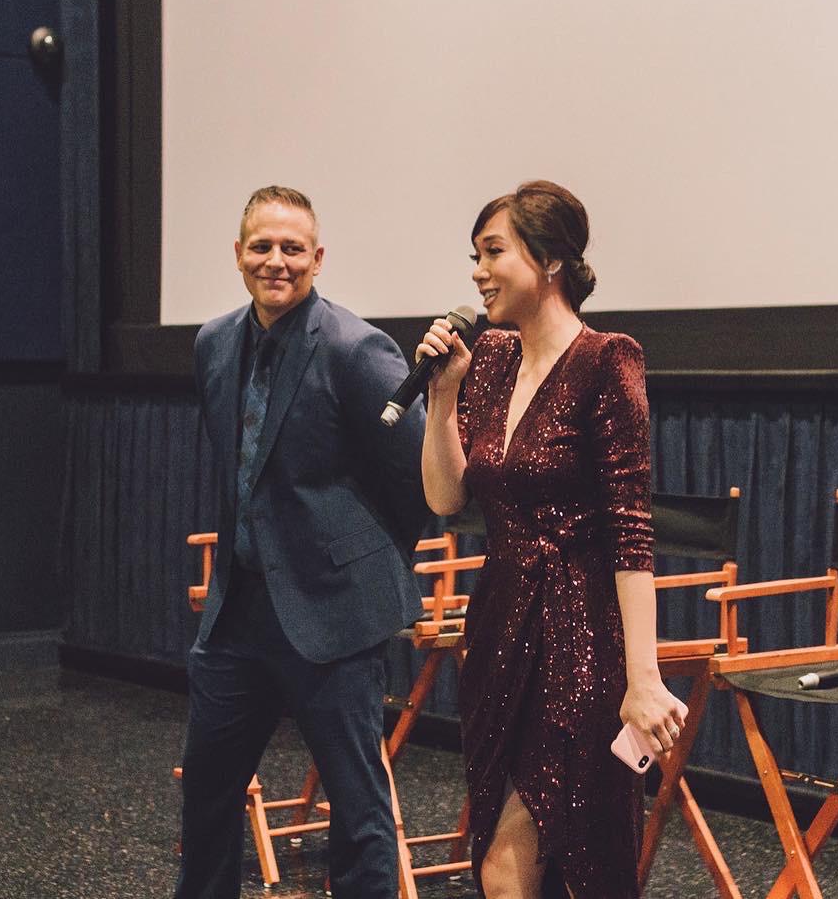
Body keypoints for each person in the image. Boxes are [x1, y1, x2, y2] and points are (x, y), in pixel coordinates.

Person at [415, 179, 686, 899]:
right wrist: (443, 397)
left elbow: (631, 531)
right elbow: (445, 497)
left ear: (551, 260)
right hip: (499, 628)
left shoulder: (607, 360)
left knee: (527, 864)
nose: (478, 271)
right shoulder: (490, 360)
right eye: (474, 255)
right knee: (505, 860)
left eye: (493, 252)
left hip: (580, 638)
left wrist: (644, 677)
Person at [176, 186, 429, 899]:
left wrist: (361, 562)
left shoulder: (355, 348)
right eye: (262, 246)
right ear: (238, 254)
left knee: (358, 807)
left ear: (318, 259)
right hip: (238, 614)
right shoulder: (213, 342)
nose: (276, 261)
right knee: (207, 792)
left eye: (293, 248)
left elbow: (417, 478)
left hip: (334, 613)